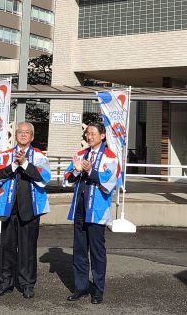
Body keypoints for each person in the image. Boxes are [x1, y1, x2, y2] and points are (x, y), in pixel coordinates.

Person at [0, 122, 50, 299]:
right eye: (20, 132)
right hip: (8, 207)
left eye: (27, 133)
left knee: (28, 248)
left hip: (30, 208)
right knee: (6, 247)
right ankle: (5, 282)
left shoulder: (39, 156)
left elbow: (44, 177)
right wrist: (14, 166)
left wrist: (24, 164)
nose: (23, 135)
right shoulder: (6, 154)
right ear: (15, 135)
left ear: (32, 137)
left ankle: (27, 284)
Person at [64, 123, 119, 305]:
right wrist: (76, 170)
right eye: (87, 133)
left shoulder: (110, 156)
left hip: (97, 209)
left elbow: (109, 179)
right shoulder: (80, 154)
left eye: (93, 133)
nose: (89, 136)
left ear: (102, 135)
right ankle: (80, 287)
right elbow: (67, 177)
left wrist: (89, 171)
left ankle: (98, 289)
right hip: (80, 207)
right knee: (79, 250)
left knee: (97, 251)